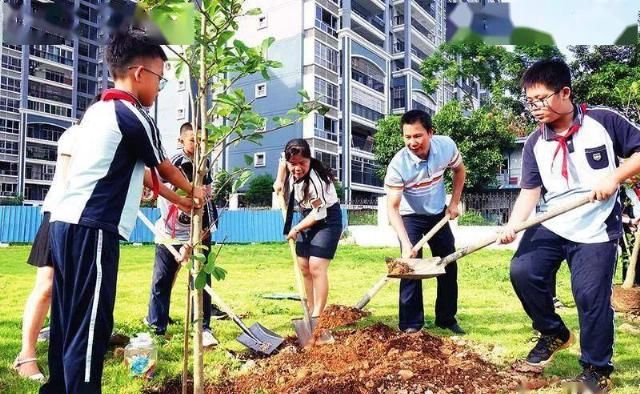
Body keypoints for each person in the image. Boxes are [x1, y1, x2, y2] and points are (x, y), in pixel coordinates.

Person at [41, 31, 204, 393]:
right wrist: (196, 189)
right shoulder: (133, 114)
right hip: (94, 230)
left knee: (67, 318)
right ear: (139, 74)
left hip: (64, 225)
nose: (160, 88)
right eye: (160, 78)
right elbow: (164, 168)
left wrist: (183, 201)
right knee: (91, 325)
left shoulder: (97, 110)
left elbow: (151, 182)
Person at [498, 59, 640, 392]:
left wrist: (615, 177)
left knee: (590, 295)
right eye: (529, 101)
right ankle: (553, 332)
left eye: (541, 99)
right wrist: (515, 225)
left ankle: (595, 369)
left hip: (597, 226)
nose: (535, 108)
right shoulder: (535, 142)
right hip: (553, 222)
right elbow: (530, 191)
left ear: (565, 92)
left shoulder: (603, 121)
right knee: (523, 270)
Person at [383, 109, 466, 335]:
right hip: (409, 216)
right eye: (407, 137)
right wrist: (406, 244)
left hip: (438, 213)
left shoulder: (446, 146)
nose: (412, 142)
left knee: (448, 262)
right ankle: (411, 324)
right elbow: (393, 207)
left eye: (418, 136)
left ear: (431, 132)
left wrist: (454, 203)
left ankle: (446, 318)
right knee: (409, 267)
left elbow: (459, 171)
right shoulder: (398, 165)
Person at [145, 122, 222, 346]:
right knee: (162, 279)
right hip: (170, 233)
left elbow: (207, 201)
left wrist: (199, 236)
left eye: (202, 141)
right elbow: (157, 187)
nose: (197, 145)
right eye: (192, 140)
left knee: (201, 279)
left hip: (197, 232)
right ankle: (156, 327)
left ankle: (202, 327)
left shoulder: (204, 162)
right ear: (181, 141)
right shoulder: (174, 163)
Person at [273, 139, 342, 318]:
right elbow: (282, 160)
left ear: (309, 159)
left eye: (302, 163)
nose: (297, 168)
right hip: (307, 215)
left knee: (316, 266)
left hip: (327, 219)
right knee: (303, 265)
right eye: (293, 164)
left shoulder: (316, 181)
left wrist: (296, 229)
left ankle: (317, 316)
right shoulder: (288, 162)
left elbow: (318, 214)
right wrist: (279, 180)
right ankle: (310, 310)